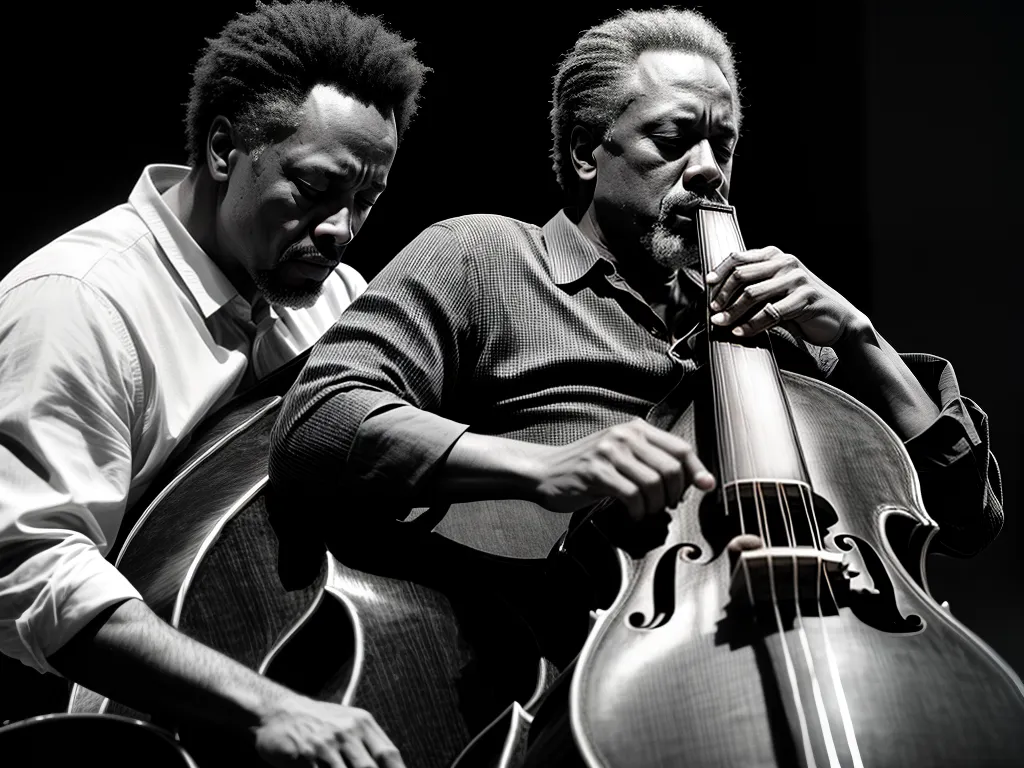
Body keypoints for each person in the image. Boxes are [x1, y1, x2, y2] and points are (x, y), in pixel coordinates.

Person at [268, 4, 1004, 760]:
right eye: (674, 140)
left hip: (793, 658)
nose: (710, 169)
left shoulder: (767, 332)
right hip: (570, 686)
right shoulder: (485, 257)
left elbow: (966, 518)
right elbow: (319, 420)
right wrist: (545, 467)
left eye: (724, 145)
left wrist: (860, 338)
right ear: (586, 152)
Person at [0, 2, 427, 766]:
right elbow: (28, 568)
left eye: (366, 201)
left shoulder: (337, 298)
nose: (341, 230)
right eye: (314, 188)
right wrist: (265, 706)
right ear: (226, 149)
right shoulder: (78, 300)